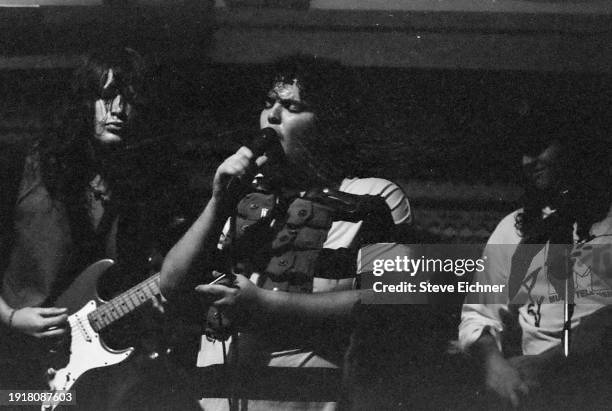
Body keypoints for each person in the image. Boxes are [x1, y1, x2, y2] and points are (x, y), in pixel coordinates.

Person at [160, 54, 412, 410]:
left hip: (311, 398)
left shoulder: (374, 196)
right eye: (269, 103)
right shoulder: (243, 194)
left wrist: (264, 304)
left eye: (291, 106)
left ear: (328, 123)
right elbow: (171, 284)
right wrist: (219, 201)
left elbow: (388, 302)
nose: (272, 116)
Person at [0, 47, 196, 410]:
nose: (119, 110)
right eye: (107, 97)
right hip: (15, 358)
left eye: (130, 100)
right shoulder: (26, 168)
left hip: (94, 373)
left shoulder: (148, 188)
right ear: (83, 103)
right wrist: (11, 317)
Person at [458, 117, 612, 409]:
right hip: (532, 388)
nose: (529, 161)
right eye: (524, 152)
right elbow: (478, 315)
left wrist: (548, 365)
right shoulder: (514, 229)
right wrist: (495, 365)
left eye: (540, 148)